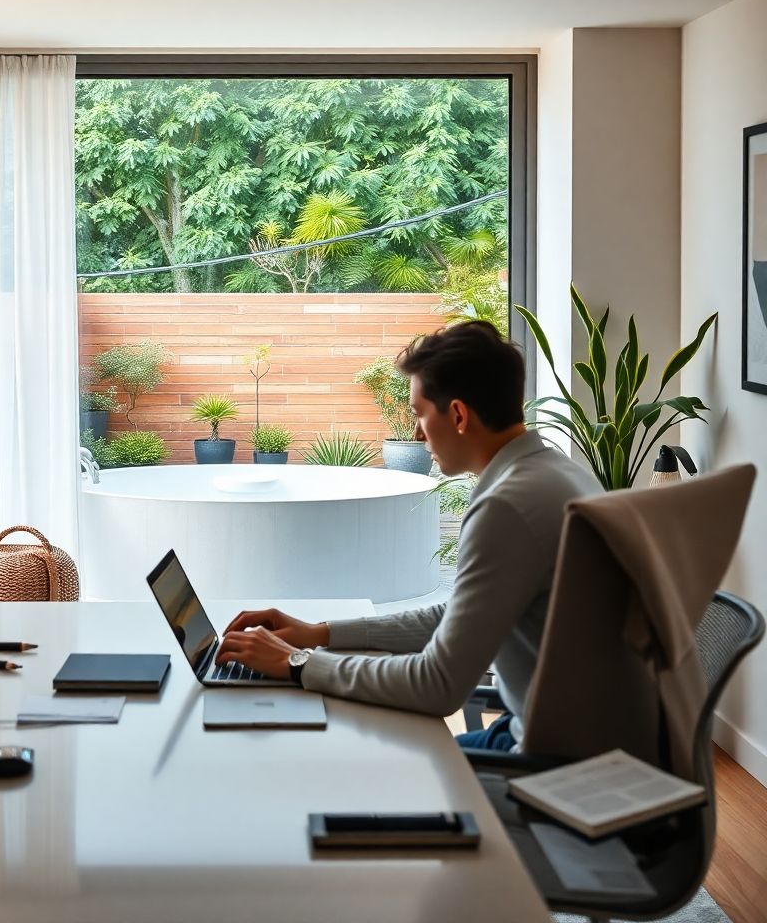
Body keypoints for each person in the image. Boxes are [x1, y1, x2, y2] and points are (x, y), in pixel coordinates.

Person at [215, 320, 602, 751]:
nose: (417, 434)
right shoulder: (556, 473)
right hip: (549, 733)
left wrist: (297, 663)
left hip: (552, 763)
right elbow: (454, 617)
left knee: (354, 759)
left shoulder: (507, 506)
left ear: (457, 415)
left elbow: (437, 685)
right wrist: (320, 634)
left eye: (420, 413)